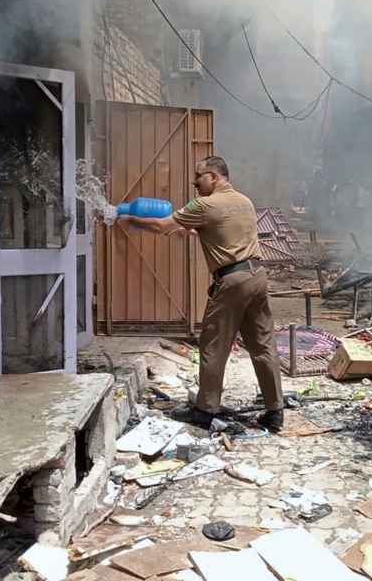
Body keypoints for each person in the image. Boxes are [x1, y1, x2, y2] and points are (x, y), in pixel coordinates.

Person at [113, 156, 286, 431]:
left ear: (215, 177)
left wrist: (130, 218)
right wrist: (192, 231)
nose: (195, 182)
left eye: (199, 176)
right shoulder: (244, 201)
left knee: (213, 345)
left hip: (233, 281)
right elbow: (224, 230)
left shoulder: (204, 204)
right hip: (258, 277)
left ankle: (205, 410)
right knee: (263, 344)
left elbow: (161, 225)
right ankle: (275, 410)